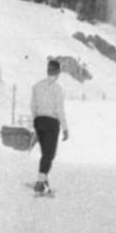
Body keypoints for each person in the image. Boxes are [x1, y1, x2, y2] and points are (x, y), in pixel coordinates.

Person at [30, 59, 69, 194]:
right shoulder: (58, 90)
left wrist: (35, 121)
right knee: (49, 154)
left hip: (39, 121)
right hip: (51, 123)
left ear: (47, 70)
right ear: (58, 72)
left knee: (44, 153)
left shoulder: (36, 86)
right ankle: (40, 182)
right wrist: (65, 128)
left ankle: (44, 179)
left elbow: (33, 106)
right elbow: (59, 110)